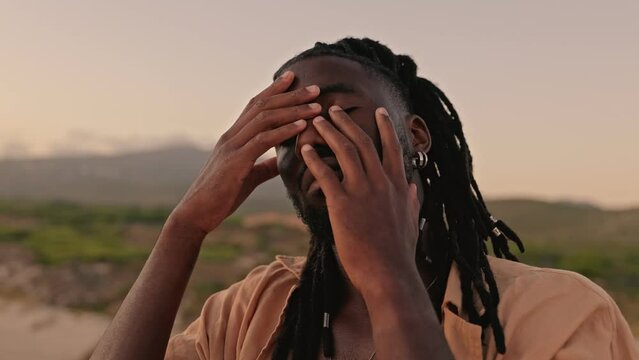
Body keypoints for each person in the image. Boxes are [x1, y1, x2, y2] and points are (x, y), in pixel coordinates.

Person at [91, 38, 638, 360]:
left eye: (338, 113)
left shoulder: (561, 314)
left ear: (416, 136)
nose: (309, 139)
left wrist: (386, 275)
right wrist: (183, 227)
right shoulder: (250, 310)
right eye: (286, 131)